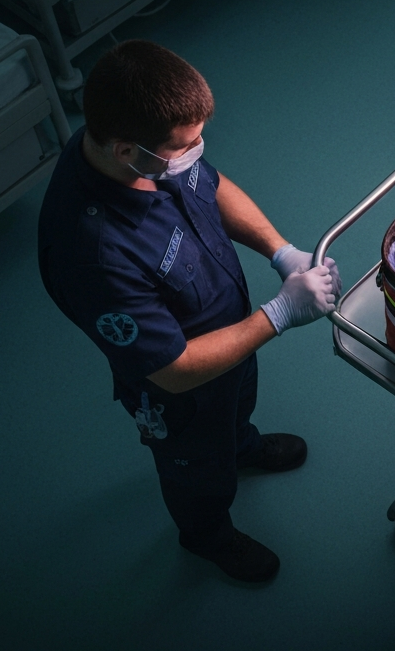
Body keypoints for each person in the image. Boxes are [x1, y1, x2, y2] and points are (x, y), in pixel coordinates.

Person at [37, 40, 340, 583]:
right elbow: (171, 370)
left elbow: (210, 187)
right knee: (196, 468)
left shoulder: (146, 151)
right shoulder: (94, 253)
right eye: (188, 145)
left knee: (235, 409)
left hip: (229, 340)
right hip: (182, 394)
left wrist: (279, 250)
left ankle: (241, 445)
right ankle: (208, 535)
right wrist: (279, 315)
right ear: (127, 151)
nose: (198, 152)